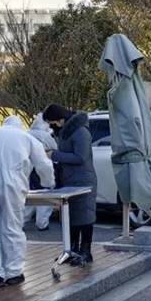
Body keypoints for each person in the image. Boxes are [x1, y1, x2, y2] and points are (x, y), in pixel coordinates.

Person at [0, 115, 54, 288]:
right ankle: (13, 272)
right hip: (13, 182)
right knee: (12, 227)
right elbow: (44, 164)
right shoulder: (26, 137)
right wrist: (49, 183)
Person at [43, 104, 97, 266]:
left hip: (83, 180)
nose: (52, 126)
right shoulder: (65, 132)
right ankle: (72, 250)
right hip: (70, 180)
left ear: (60, 119)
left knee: (85, 216)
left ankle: (85, 251)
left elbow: (81, 157)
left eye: (53, 122)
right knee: (71, 216)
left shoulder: (80, 131)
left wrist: (55, 155)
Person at [23, 114, 58, 231]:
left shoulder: (26, 134)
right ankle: (42, 223)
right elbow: (55, 148)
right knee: (44, 196)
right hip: (43, 168)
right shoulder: (46, 136)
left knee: (29, 196)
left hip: (28, 169)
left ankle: (22, 220)